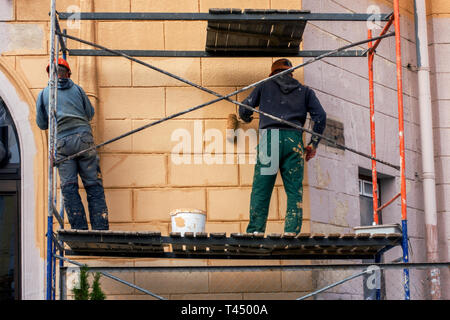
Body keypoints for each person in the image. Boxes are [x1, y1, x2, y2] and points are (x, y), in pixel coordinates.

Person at [239, 58, 326, 235]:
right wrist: (312, 145)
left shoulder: (265, 86)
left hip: (270, 139)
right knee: (294, 190)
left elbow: (244, 108)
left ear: (272, 73)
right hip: (294, 141)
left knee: (261, 188)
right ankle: (291, 232)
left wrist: (247, 118)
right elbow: (321, 116)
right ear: (291, 73)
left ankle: (255, 230)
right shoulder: (305, 91)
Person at [36, 58, 109, 230]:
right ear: (68, 74)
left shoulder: (44, 94)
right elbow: (90, 113)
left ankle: (79, 230)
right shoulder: (78, 89)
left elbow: (41, 124)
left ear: (50, 75)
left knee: (69, 187)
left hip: (63, 144)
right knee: (93, 185)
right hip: (84, 140)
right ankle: (101, 228)